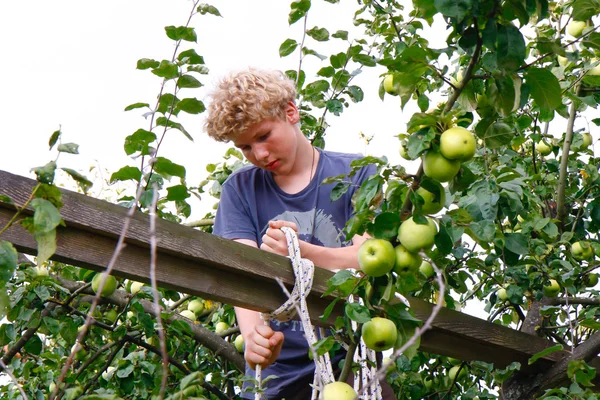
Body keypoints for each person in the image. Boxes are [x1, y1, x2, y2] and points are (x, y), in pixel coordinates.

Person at [204, 68, 394, 399]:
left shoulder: (359, 173)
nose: (259, 155)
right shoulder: (238, 190)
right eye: (245, 147)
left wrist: (300, 252)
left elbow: (370, 261)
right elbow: (241, 274)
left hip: (350, 361)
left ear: (291, 112)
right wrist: (253, 338)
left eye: (263, 136)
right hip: (274, 377)